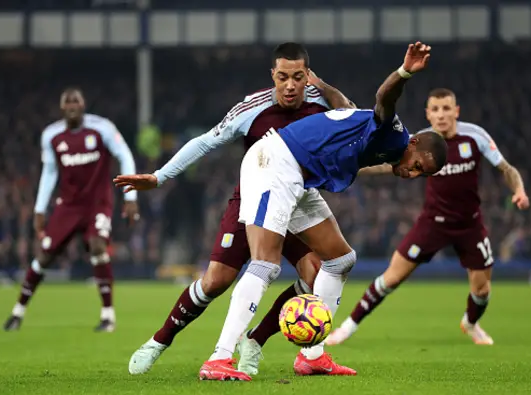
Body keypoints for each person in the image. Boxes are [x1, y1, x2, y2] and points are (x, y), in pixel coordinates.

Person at [187, 41, 445, 381]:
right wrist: (405, 72)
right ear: (413, 144)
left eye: (420, 174)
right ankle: (219, 358)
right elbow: (384, 98)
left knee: (340, 259)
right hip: (274, 162)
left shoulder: (381, 143)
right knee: (265, 263)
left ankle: (312, 356)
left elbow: (344, 106)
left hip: (299, 176)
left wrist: (320, 84)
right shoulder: (395, 136)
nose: (413, 173)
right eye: (416, 165)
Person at [113, 42, 356, 376]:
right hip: (254, 201)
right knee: (216, 281)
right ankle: (160, 340)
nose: (289, 85)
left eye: (298, 77)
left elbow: (351, 116)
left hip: (297, 201)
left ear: (307, 77)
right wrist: (159, 176)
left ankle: (259, 341)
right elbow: (206, 141)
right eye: (282, 76)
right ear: (273, 74)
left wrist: (324, 87)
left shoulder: (319, 102)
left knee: (316, 272)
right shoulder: (252, 108)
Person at [325, 88, 530, 347]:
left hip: (470, 224)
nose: (441, 115)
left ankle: (470, 323)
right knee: (391, 278)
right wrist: (351, 166)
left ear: (456, 111)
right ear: (428, 114)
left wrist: (519, 190)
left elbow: (506, 168)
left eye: (446, 109)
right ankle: (346, 328)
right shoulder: (418, 142)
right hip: (432, 223)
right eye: (435, 109)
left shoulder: (474, 137)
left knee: (482, 290)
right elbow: (385, 165)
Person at [3, 88, 140, 333]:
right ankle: (17, 313)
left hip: (98, 203)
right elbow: (50, 173)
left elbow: (125, 156)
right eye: (67, 101)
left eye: (76, 100)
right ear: (62, 107)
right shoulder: (52, 135)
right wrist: (39, 209)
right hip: (67, 206)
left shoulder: (102, 128)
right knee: (44, 255)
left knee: (98, 246)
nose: (72, 104)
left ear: (83, 104)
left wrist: (130, 196)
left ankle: (108, 316)